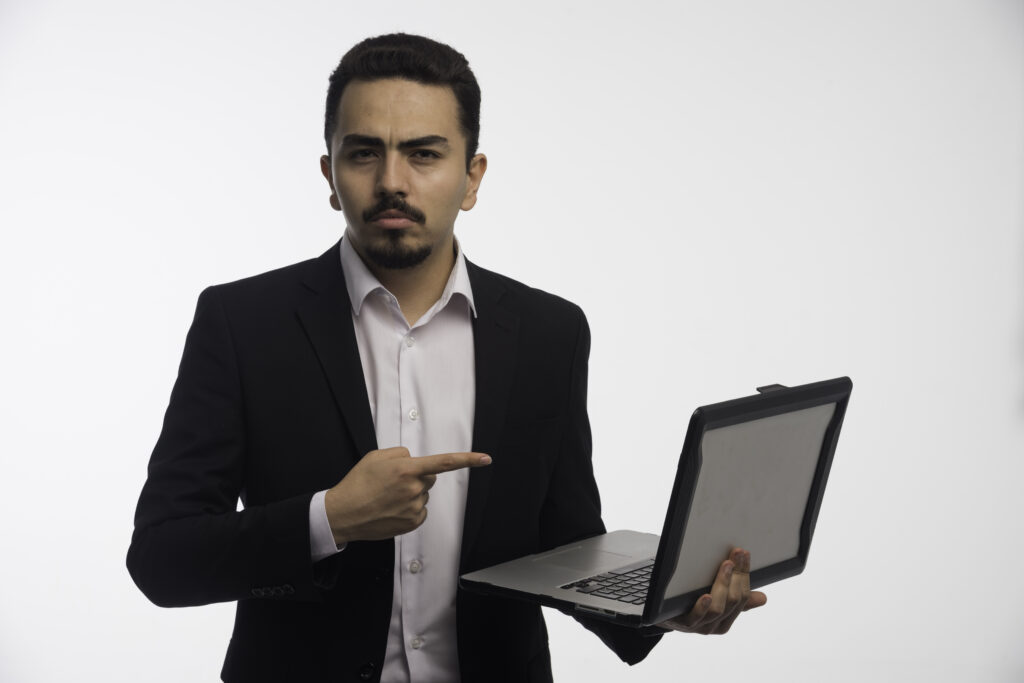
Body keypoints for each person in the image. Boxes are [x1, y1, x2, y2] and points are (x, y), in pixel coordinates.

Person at [127, 33, 766, 683]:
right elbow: (161, 555)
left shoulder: (551, 331)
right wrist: (330, 517)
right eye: (364, 153)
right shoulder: (243, 323)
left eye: (424, 154)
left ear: (472, 177)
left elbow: (565, 542)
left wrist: (669, 607)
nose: (392, 182)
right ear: (329, 175)